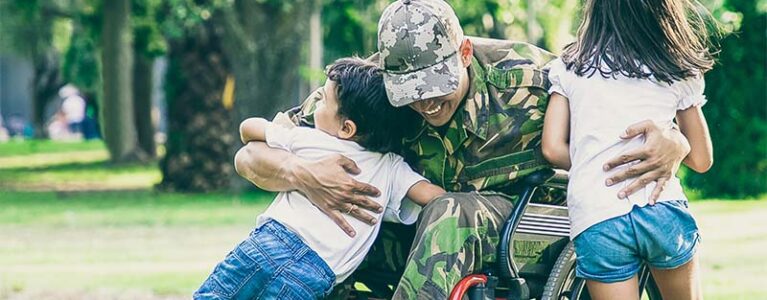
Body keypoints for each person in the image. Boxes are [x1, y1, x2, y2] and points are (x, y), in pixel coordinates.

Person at [234, 0, 694, 298]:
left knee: (451, 213)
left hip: (527, 226)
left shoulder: (530, 78)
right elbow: (250, 156)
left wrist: (675, 138)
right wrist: (303, 173)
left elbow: (622, 111)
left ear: (466, 52)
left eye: (437, 84)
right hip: (407, 231)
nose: (427, 101)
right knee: (321, 232)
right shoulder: (363, 92)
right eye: (411, 91)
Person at [194, 57, 446, 299]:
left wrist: (281, 130)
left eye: (323, 101)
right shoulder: (392, 168)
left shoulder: (312, 140)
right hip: (313, 276)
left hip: (268, 244)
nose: (316, 106)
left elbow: (247, 129)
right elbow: (432, 196)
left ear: (347, 128)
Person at [541, 0, 715, 299]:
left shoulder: (570, 67)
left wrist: (597, 161)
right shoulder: (674, 67)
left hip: (598, 216)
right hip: (661, 209)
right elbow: (701, 159)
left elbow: (552, 148)